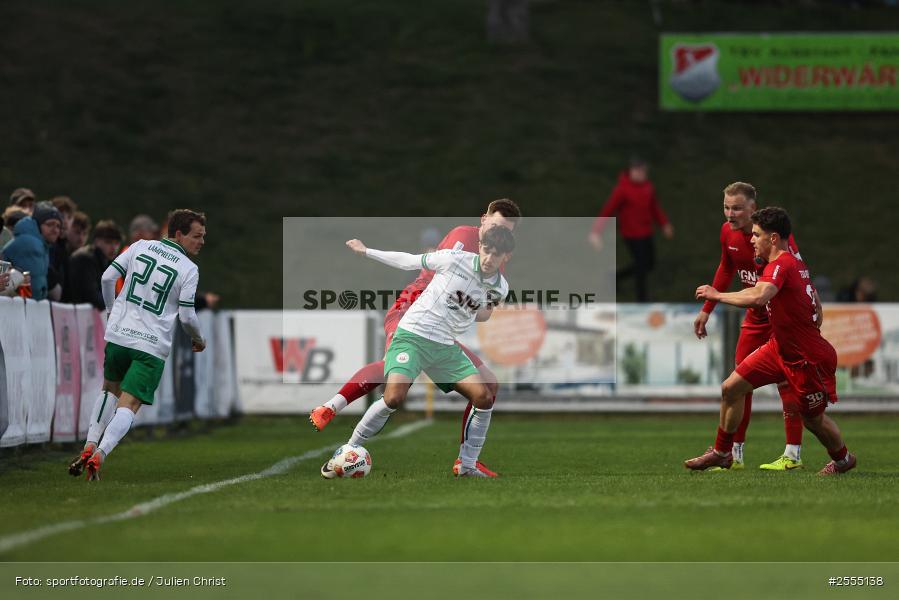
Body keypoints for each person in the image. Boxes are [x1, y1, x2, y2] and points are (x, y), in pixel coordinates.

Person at [309, 199, 521, 477]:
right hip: (414, 325)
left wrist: (475, 306)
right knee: (394, 395)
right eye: (492, 233)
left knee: (484, 394)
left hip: (444, 345)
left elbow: (483, 313)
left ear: (507, 252)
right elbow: (410, 262)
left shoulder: (500, 284)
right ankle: (346, 444)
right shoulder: (458, 252)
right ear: (483, 227)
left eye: (503, 234)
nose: (490, 254)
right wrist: (366, 251)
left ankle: (467, 465)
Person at [687, 207, 855, 476]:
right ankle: (722, 453)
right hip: (780, 348)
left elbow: (759, 297)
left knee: (813, 421)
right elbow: (766, 293)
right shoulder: (788, 264)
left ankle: (843, 459)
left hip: (807, 359)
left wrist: (717, 295)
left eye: (756, 235)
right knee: (731, 388)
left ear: (773, 238)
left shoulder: (783, 264)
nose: (752, 240)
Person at [68, 209, 208, 481]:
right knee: (129, 405)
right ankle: (101, 454)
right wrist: (198, 339)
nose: (201, 241)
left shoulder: (140, 246)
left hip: (119, 334)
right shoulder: (189, 269)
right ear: (178, 234)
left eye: (203, 236)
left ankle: (88, 445)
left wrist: (112, 312)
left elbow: (107, 278)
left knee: (109, 390)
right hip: (150, 345)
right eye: (197, 236)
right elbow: (188, 315)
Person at [693, 182, 805, 470]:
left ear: (753, 209)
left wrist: (811, 304)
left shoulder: (777, 240)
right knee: (739, 384)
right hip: (754, 319)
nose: (731, 214)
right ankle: (735, 454)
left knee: (786, 381)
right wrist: (707, 310)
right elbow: (726, 267)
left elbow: (799, 272)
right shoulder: (726, 233)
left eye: (738, 208)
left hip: (778, 318)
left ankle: (792, 454)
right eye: (727, 207)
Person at [589, 157, 673, 302]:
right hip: (631, 234)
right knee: (641, 267)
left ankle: (615, 277)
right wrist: (596, 232)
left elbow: (654, 208)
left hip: (646, 232)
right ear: (631, 171)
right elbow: (607, 211)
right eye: (637, 171)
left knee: (649, 264)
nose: (640, 174)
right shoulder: (622, 190)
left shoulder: (648, 187)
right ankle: (642, 301)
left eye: (643, 171)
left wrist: (664, 224)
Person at [0, 205, 59, 300]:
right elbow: (35, 293)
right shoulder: (31, 244)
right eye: (49, 224)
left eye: (58, 226)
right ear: (38, 225)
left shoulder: (42, 246)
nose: (55, 230)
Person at [65, 220, 123, 309]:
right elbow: (91, 295)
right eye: (108, 242)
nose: (113, 247)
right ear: (96, 241)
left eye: (117, 243)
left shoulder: (105, 261)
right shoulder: (85, 259)